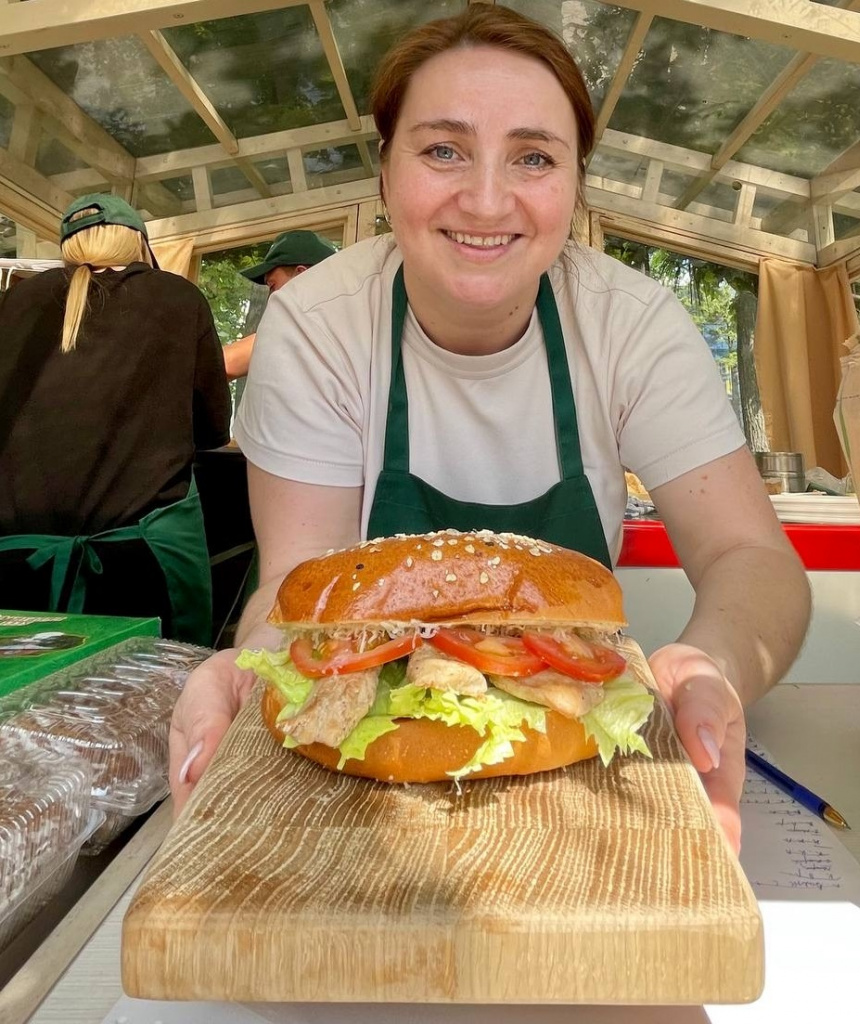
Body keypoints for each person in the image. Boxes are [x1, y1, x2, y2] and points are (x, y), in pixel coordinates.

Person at [170, 5, 811, 849]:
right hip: (366, 801)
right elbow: (301, 591)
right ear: (386, 173)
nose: (484, 198)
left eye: (534, 157)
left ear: (577, 183)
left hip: (580, 776)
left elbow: (753, 558)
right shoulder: (317, 325)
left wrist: (709, 664)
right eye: (442, 149)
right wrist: (262, 678)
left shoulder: (632, 324)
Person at [0, 193, 231, 646]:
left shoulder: (12, 303)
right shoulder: (177, 298)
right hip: (140, 570)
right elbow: (210, 430)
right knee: (148, 708)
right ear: (139, 245)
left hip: (15, 566)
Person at [223, 230, 336, 380]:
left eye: (272, 285)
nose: (271, 298)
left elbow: (223, 364)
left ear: (302, 275)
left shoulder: (298, 331)